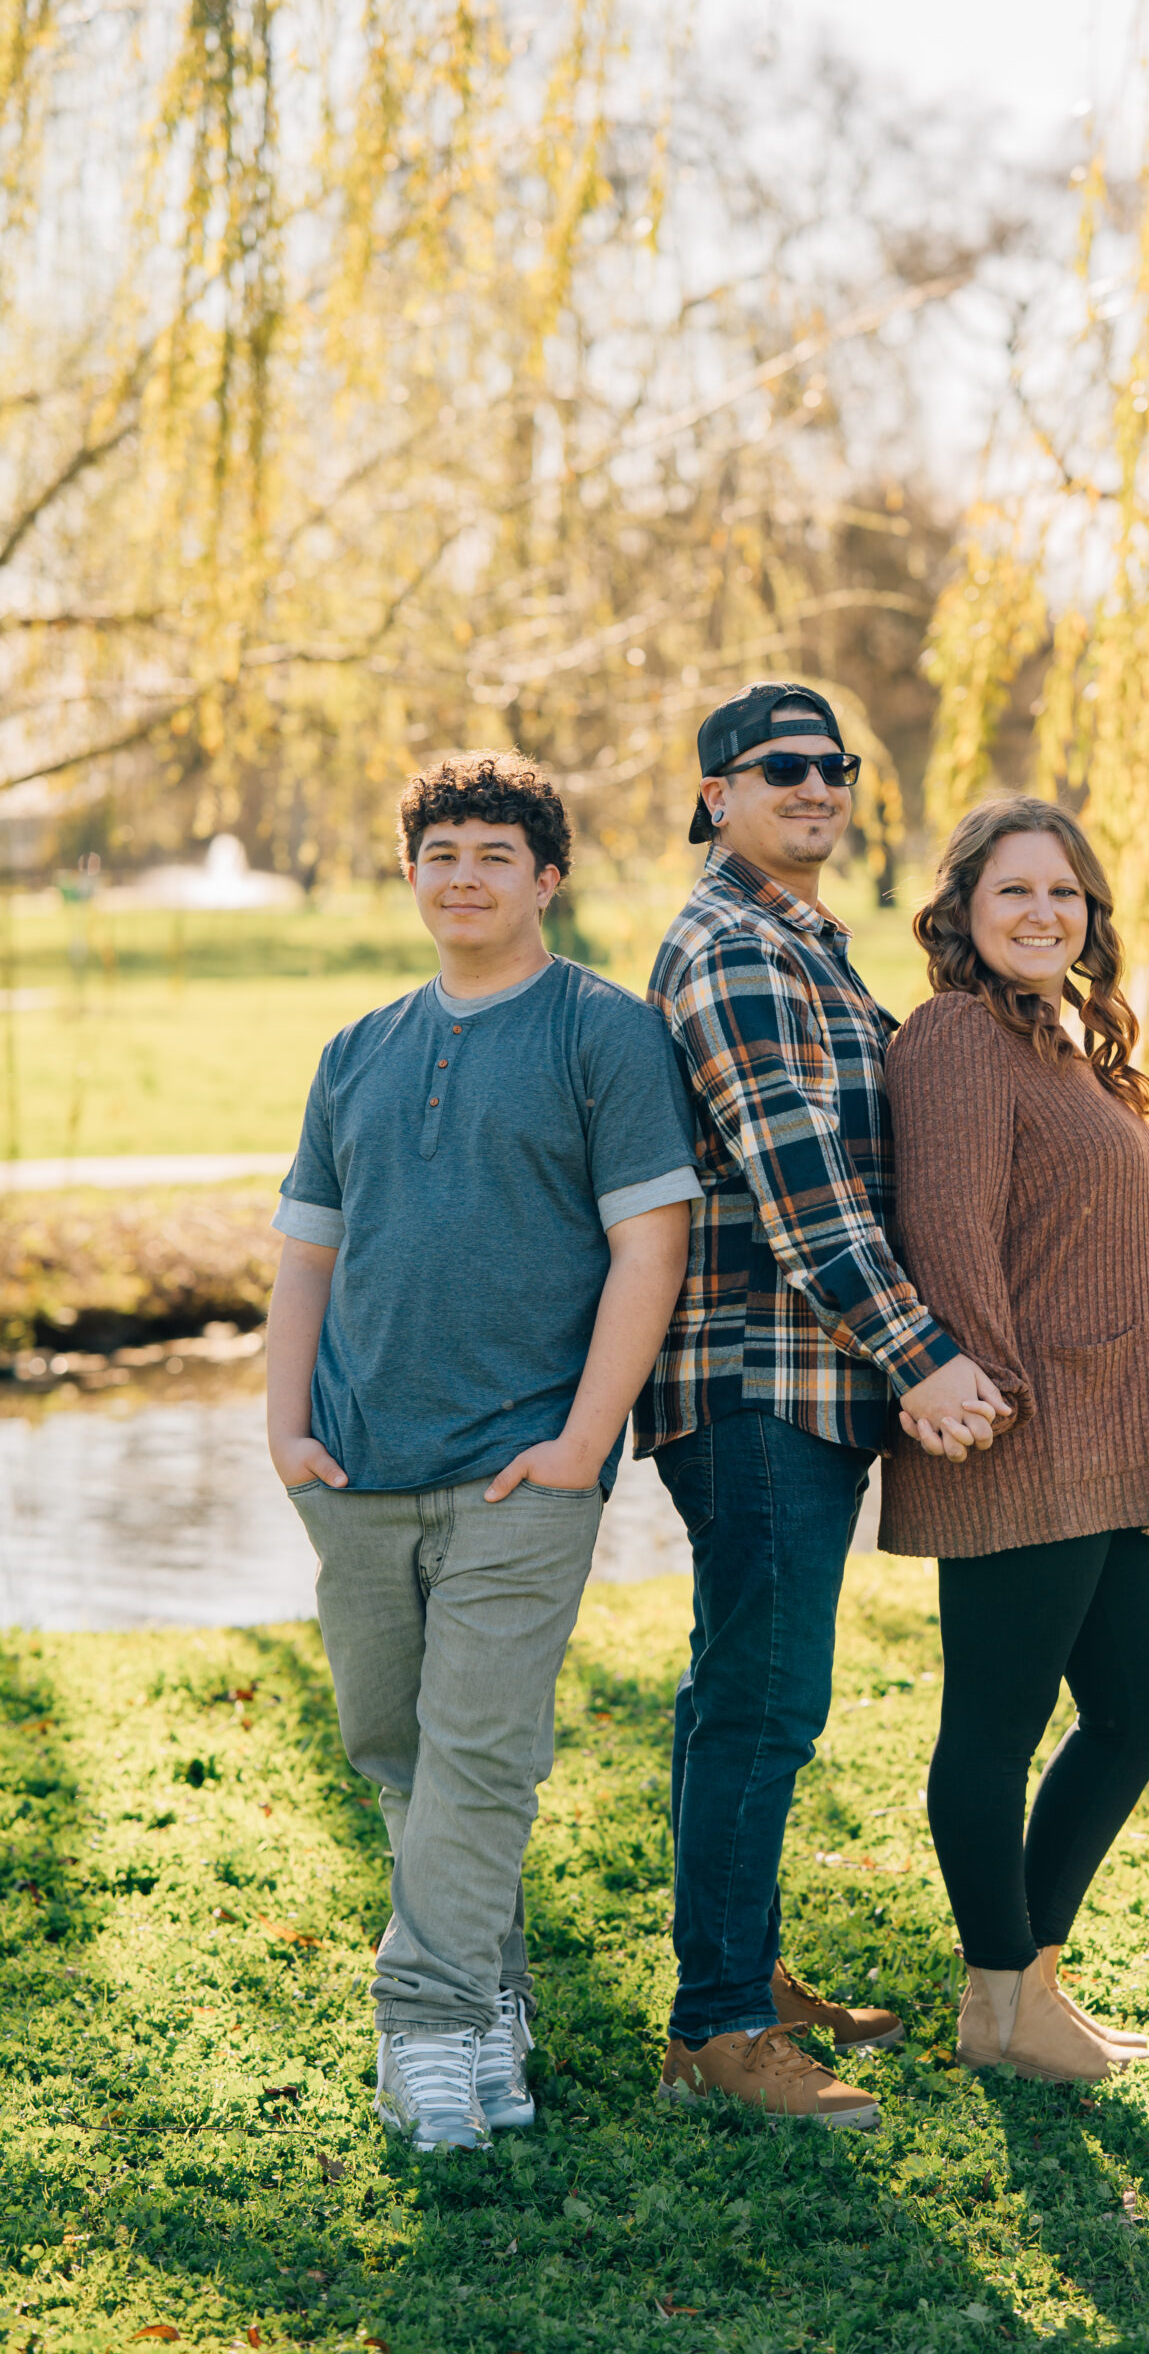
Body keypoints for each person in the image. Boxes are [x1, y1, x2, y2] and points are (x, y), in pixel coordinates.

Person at [268, 754, 702, 2152]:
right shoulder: (359, 1050)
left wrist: (583, 1440)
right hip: (358, 1469)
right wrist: (286, 1431)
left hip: (522, 1467)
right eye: (441, 851)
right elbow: (305, 1258)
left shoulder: (599, 1034)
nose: (464, 874)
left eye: (494, 854)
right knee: (394, 1748)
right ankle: (493, 1997)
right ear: (412, 875)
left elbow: (651, 1242)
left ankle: (429, 2036)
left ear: (545, 881)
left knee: (477, 1754)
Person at [639, 681, 1011, 2130]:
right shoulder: (727, 946)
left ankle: (735, 1969)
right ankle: (717, 2031)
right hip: (751, 1380)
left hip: (803, 1382)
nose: (815, 784)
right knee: (764, 1701)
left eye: (833, 765)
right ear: (715, 797)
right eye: (779, 766)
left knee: (737, 1689)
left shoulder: (806, 945)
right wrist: (921, 1354)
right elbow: (805, 1196)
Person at [879, 796, 1149, 2084]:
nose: (1042, 913)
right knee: (995, 1727)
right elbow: (951, 1238)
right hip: (1016, 1433)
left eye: (1064, 892)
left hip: (1108, 1432)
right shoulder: (956, 1035)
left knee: (1144, 1703)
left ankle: (1024, 1984)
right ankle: (999, 2000)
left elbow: (1099, 1240)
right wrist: (986, 1399)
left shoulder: (1062, 1040)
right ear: (962, 908)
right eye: (1014, 890)